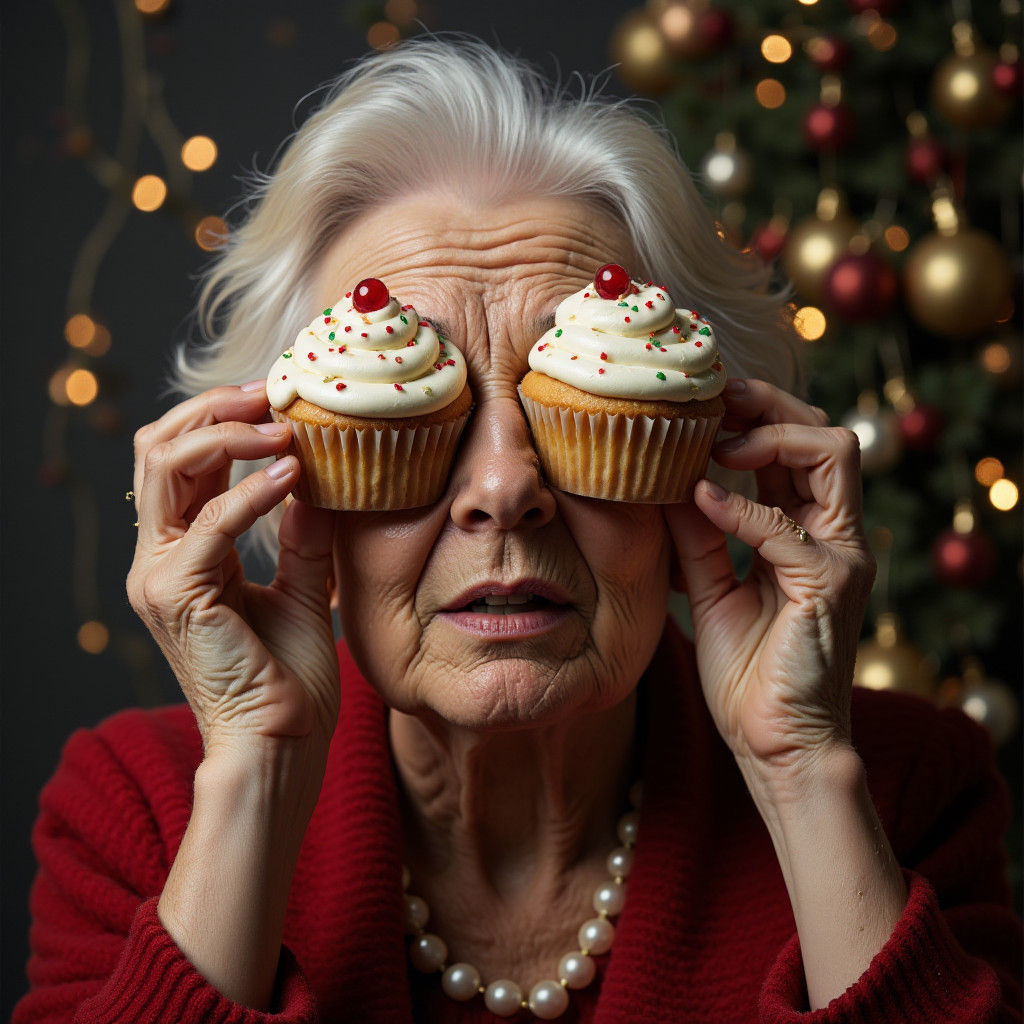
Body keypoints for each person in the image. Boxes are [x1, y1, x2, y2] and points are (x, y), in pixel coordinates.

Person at [13, 38, 1021, 1024]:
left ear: (708, 448)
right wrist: (257, 777)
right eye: (403, 412)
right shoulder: (135, 809)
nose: (502, 487)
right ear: (283, 477)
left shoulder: (898, 788)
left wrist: (802, 774)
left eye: (578, 398)